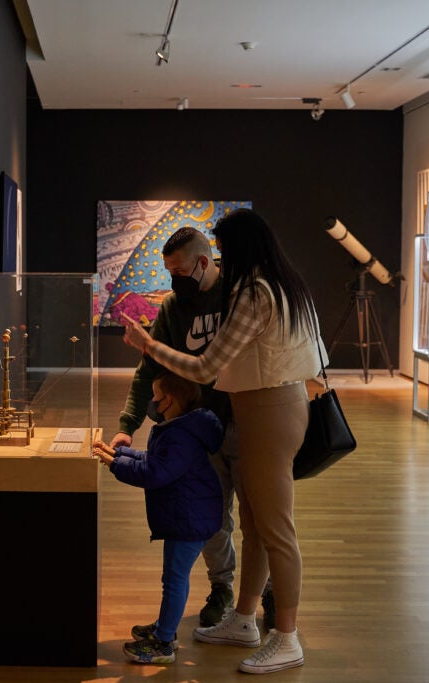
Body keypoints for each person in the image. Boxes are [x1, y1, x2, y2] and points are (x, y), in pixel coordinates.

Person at [122, 208, 324, 675]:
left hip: (269, 413)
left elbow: (204, 368)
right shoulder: (284, 284)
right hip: (268, 410)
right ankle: (244, 619)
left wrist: (148, 345)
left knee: (276, 530)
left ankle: (287, 636)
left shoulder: (255, 292)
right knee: (254, 524)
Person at [111, 226, 276, 630]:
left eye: (180, 271)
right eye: (169, 271)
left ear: (204, 262)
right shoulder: (171, 308)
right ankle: (223, 589)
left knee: (259, 519)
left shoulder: (239, 297)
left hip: (247, 424)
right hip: (201, 431)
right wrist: (126, 425)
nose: (174, 280)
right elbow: (148, 370)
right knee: (212, 518)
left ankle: (268, 593)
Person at [92, 372, 224, 665]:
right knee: (174, 578)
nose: (151, 402)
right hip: (188, 513)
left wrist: (114, 463)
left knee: (175, 580)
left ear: (169, 400)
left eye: (155, 396)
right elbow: (154, 461)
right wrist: (118, 453)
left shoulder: (180, 435)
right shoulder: (181, 427)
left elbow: (154, 474)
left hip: (188, 518)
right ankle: (166, 629)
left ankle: (164, 642)